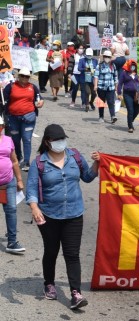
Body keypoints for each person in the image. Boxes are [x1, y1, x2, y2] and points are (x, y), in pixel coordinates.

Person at [26, 124, 100, 310]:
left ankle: (76, 293)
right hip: (49, 215)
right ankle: (49, 283)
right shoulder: (39, 163)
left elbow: (88, 176)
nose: (60, 143)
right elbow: (32, 188)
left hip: (74, 214)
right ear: (47, 142)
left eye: (62, 139)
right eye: (56, 140)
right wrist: (34, 207)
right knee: (51, 251)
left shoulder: (74, 156)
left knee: (72, 254)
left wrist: (98, 162)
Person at [3, 68, 44, 172]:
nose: (25, 78)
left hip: (28, 118)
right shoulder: (10, 86)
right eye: (22, 76)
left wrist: (41, 102)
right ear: (18, 76)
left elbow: (39, 98)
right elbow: (2, 100)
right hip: (13, 119)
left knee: (27, 139)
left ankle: (26, 162)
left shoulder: (33, 87)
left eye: (27, 76)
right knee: (15, 140)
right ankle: (19, 157)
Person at [0, 115, 26, 254]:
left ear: (2, 127)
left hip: (8, 182)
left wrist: (19, 180)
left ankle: (12, 241)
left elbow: (14, 161)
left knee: (11, 211)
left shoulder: (8, 140)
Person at [94, 50, 118, 124]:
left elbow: (115, 77)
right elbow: (96, 76)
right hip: (101, 87)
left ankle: (113, 116)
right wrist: (95, 85)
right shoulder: (100, 65)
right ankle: (101, 117)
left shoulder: (113, 66)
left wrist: (116, 87)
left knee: (111, 102)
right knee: (101, 103)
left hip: (110, 87)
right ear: (104, 57)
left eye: (108, 57)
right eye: (106, 57)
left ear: (110, 58)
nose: (107, 58)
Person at [117, 59, 139, 133]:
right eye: (131, 66)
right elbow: (120, 83)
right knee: (130, 110)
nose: (133, 67)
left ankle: (130, 120)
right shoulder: (124, 73)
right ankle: (130, 126)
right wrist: (119, 93)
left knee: (136, 110)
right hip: (127, 94)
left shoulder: (138, 74)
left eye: (134, 66)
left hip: (136, 95)